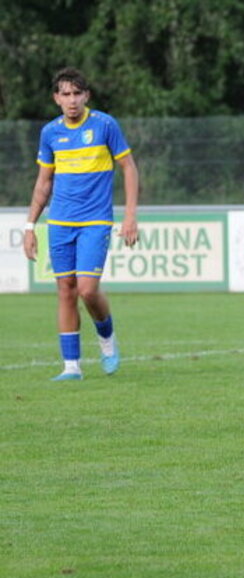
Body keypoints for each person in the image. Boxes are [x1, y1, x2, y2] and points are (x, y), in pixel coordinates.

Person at [23, 67, 139, 381]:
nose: (72, 100)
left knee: (87, 290)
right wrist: (30, 226)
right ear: (56, 98)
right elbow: (43, 182)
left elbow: (128, 168)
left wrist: (130, 216)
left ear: (86, 95)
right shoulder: (50, 133)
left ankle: (107, 339)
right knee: (65, 290)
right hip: (59, 222)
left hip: (96, 220)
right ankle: (71, 367)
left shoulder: (104, 125)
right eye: (65, 94)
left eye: (77, 93)